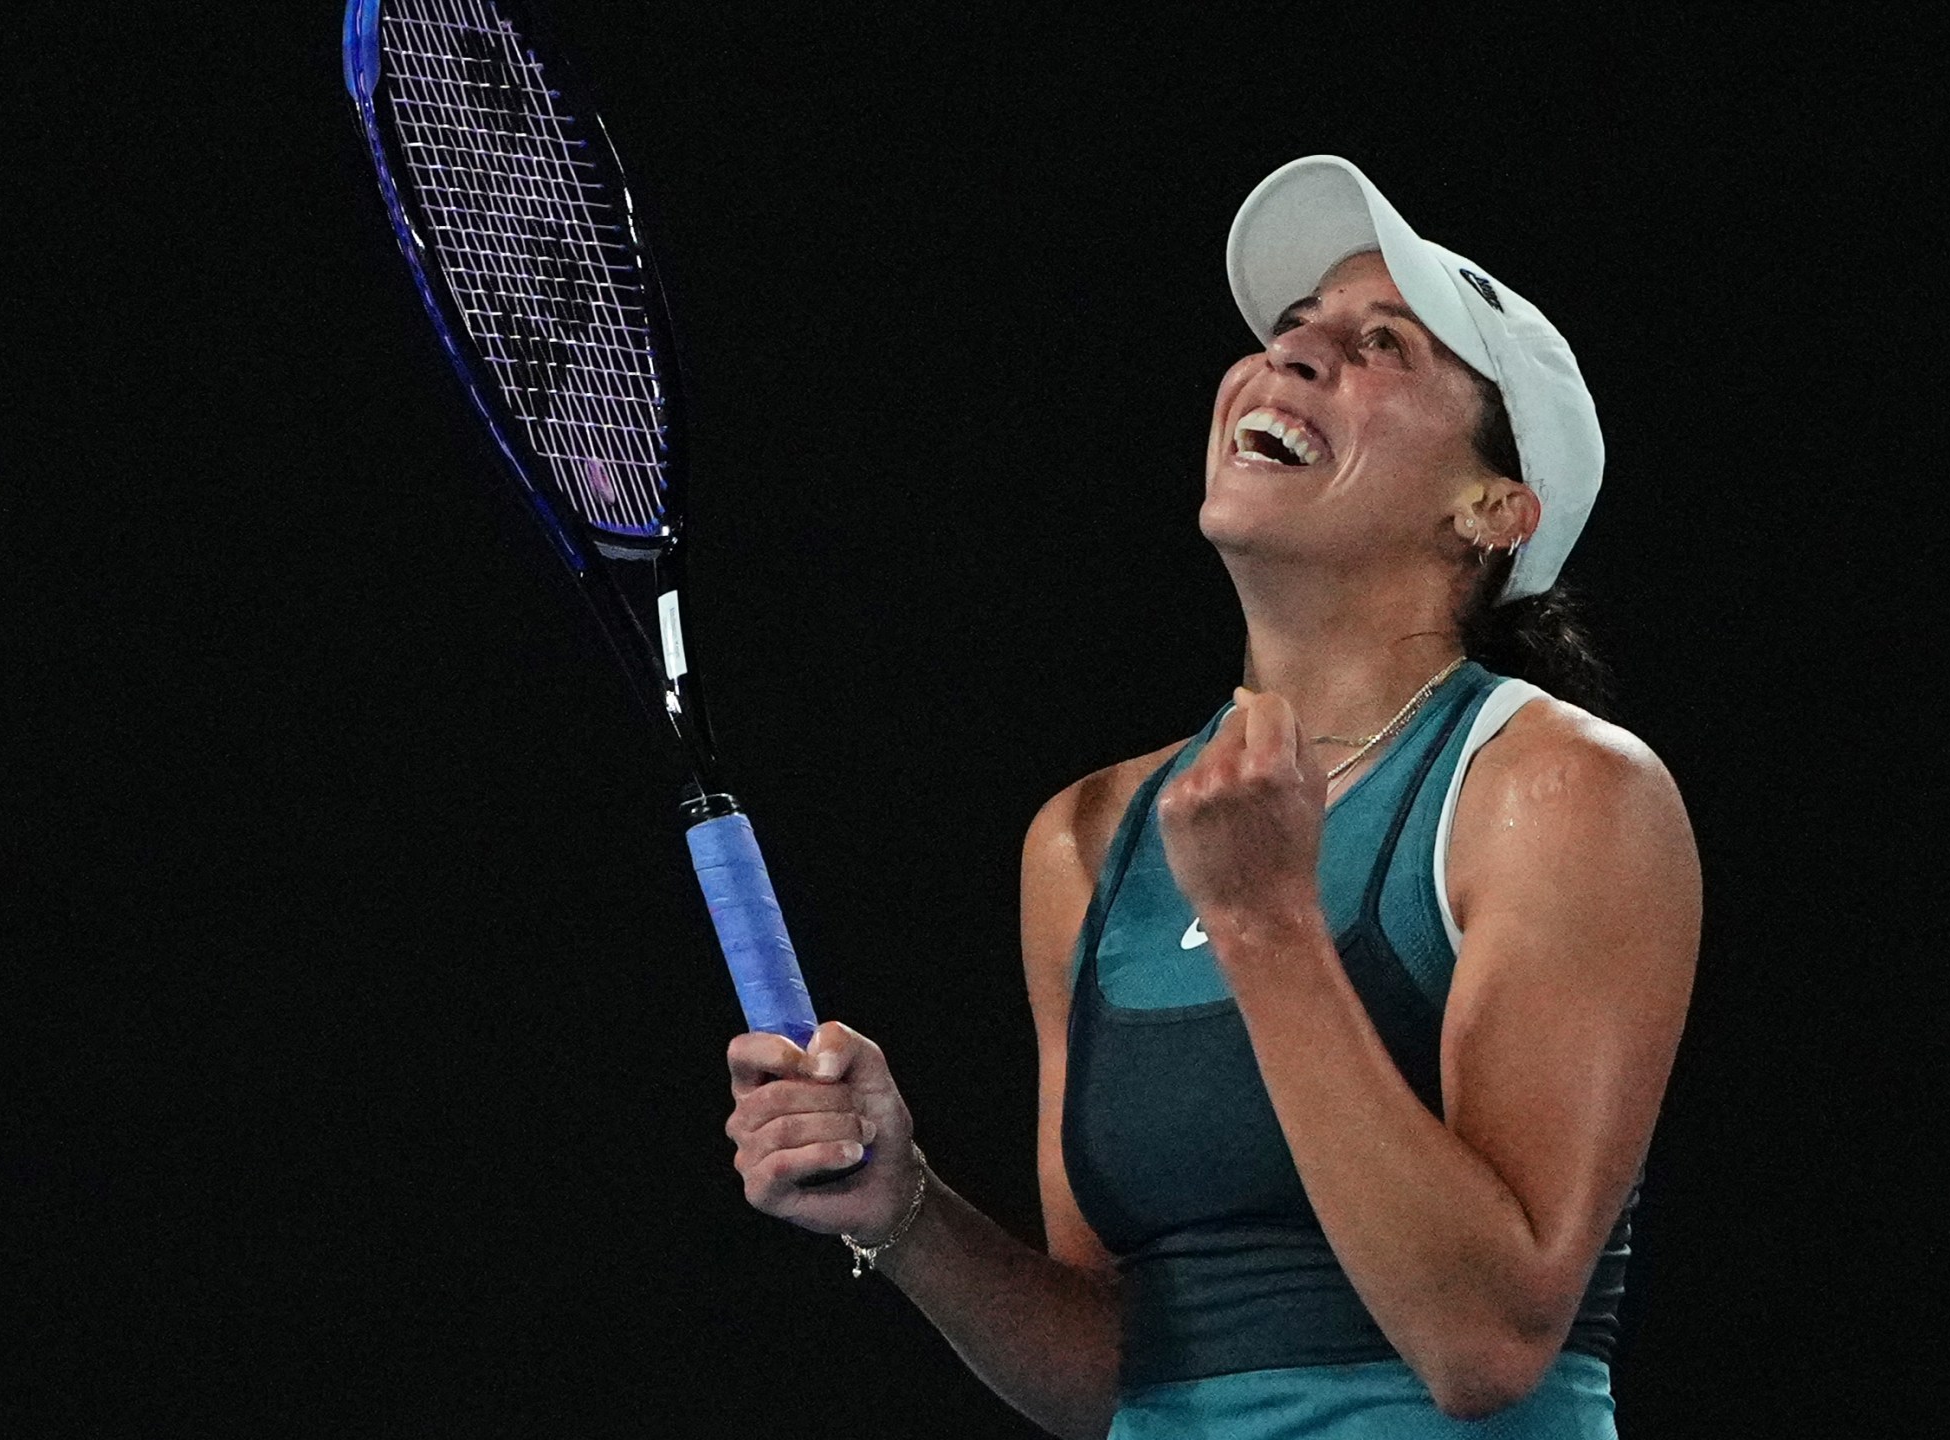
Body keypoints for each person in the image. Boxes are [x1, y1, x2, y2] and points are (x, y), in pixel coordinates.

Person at [722, 155, 1700, 1439]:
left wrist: (1267, 926)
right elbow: (1118, 1371)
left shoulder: (1562, 791)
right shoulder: (1086, 841)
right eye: (1292, 331)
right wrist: (905, 1215)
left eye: (1379, 345)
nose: (1291, 357)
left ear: (1492, 509)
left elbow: (1486, 1343)